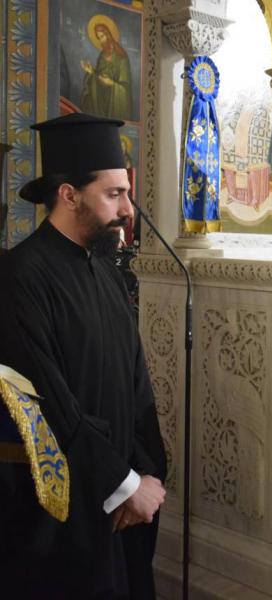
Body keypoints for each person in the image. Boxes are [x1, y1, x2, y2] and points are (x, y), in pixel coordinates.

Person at [0, 113, 166, 598]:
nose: (128, 209)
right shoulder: (21, 276)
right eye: (114, 194)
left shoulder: (107, 271)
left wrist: (147, 472)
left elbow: (137, 384)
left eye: (126, 193)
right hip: (66, 512)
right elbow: (49, 404)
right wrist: (122, 485)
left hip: (125, 500)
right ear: (69, 194)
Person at [81, 19, 133, 121]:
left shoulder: (121, 56)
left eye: (102, 36)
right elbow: (99, 76)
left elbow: (125, 88)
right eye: (98, 38)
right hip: (101, 99)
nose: (101, 41)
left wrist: (112, 84)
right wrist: (92, 71)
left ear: (108, 35)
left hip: (114, 102)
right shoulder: (101, 56)